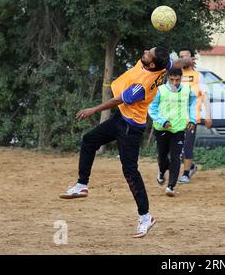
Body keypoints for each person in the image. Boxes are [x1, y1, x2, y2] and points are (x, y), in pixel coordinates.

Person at [59, 46, 194, 238]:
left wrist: (93, 110)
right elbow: (175, 63)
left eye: (149, 53)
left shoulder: (142, 85)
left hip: (131, 129)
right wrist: (187, 62)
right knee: (89, 140)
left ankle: (146, 217)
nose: (145, 50)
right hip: (121, 119)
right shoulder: (162, 66)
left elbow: (117, 100)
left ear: (152, 63)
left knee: (130, 171)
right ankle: (82, 185)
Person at [148, 68, 197, 196]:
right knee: (162, 156)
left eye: (177, 79)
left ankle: (171, 186)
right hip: (162, 128)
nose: (175, 82)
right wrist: (163, 121)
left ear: (181, 78)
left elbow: (193, 104)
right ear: (168, 78)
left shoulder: (188, 91)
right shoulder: (160, 90)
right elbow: (151, 109)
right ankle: (162, 170)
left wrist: (192, 120)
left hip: (179, 129)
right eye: (172, 79)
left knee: (176, 157)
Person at [178, 49, 213, 184]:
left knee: (187, 147)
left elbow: (205, 96)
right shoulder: (176, 75)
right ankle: (191, 166)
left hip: (191, 118)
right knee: (177, 150)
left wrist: (208, 116)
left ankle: (186, 174)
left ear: (191, 58)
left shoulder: (198, 76)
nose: (183, 59)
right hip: (177, 118)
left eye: (185, 57)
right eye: (181, 57)